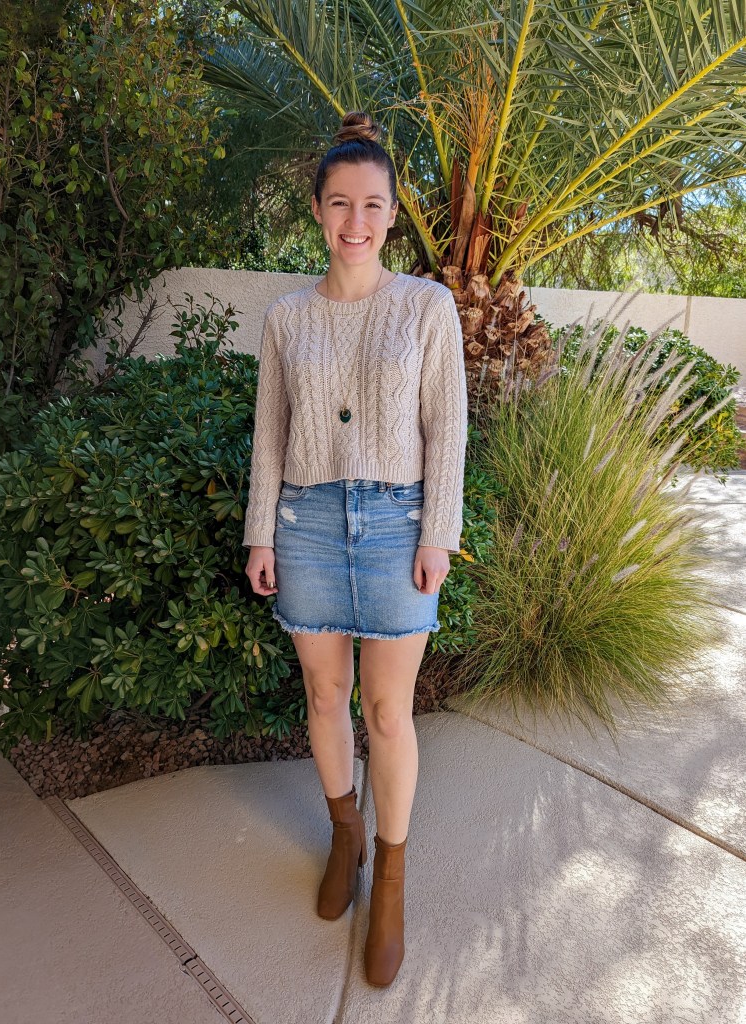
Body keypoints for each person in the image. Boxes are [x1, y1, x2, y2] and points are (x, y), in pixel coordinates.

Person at [242, 110, 468, 987]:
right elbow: (270, 433)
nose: (356, 222)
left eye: (373, 205)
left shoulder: (425, 306)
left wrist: (435, 535)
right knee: (324, 693)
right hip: (303, 525)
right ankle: (344, 839)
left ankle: (393, 882)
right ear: (317, 211)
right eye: (340, 204)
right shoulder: (287, 318)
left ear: (392, 212)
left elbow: (445, 431)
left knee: (386, 712)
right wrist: (260, 530)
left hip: (392, 526)